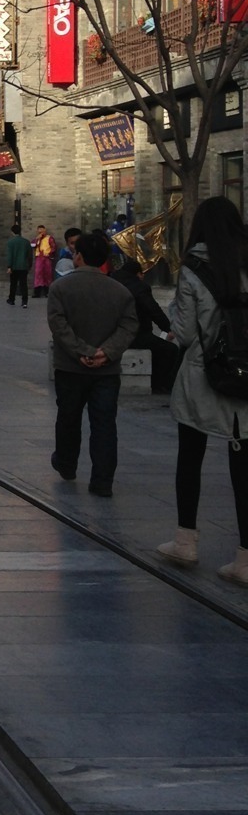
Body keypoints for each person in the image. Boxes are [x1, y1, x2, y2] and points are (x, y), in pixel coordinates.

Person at [157, 197, 248, 583]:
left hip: (203, 374)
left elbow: (186, 332)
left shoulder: (193, 268)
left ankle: (186, 540)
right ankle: (245, 559)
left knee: (190, 456)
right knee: (243, 464)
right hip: (245, 377)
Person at [46, 230, 138, 496]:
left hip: (71, 367)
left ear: (79, 257)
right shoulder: (120, 291)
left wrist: (82, 351)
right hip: (106, 370)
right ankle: (102, 480)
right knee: (105, 424)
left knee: (68, 418)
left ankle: (66, 463)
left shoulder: (60, 288)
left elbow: (58, 325)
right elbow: (129, 325)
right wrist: (106, 352)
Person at [109, 251, 180, 394]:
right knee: (170, 350)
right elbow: (153, 309)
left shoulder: (110, 282)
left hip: (110, 334)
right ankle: (161, 384)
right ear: (138, 274)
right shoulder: (139, 287)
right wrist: (167, 328)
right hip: (135, 335)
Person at [5, 225, 32, 307]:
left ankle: (11, 299)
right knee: (23, 284)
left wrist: (9, 266)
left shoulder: (10, 242)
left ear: (12, 232)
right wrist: (29, 265)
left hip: (14, 267)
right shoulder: (26, 242)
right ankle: (24, 302)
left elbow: (10, 255)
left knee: (13, 284)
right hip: (24, 266)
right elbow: (30, 256)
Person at [31, 225, 57, 296]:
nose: (41, 232)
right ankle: (37, 292)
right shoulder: (37, 239)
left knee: (47, 274)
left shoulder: (49, 238)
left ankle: (47, 292)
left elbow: (53, 247)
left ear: (45, 230)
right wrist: (36, 239)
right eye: (39, 230)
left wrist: (49, 253)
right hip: (39, 258)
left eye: (42, 230)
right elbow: (32, 245)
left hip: (46, 258)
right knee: (38, 274)